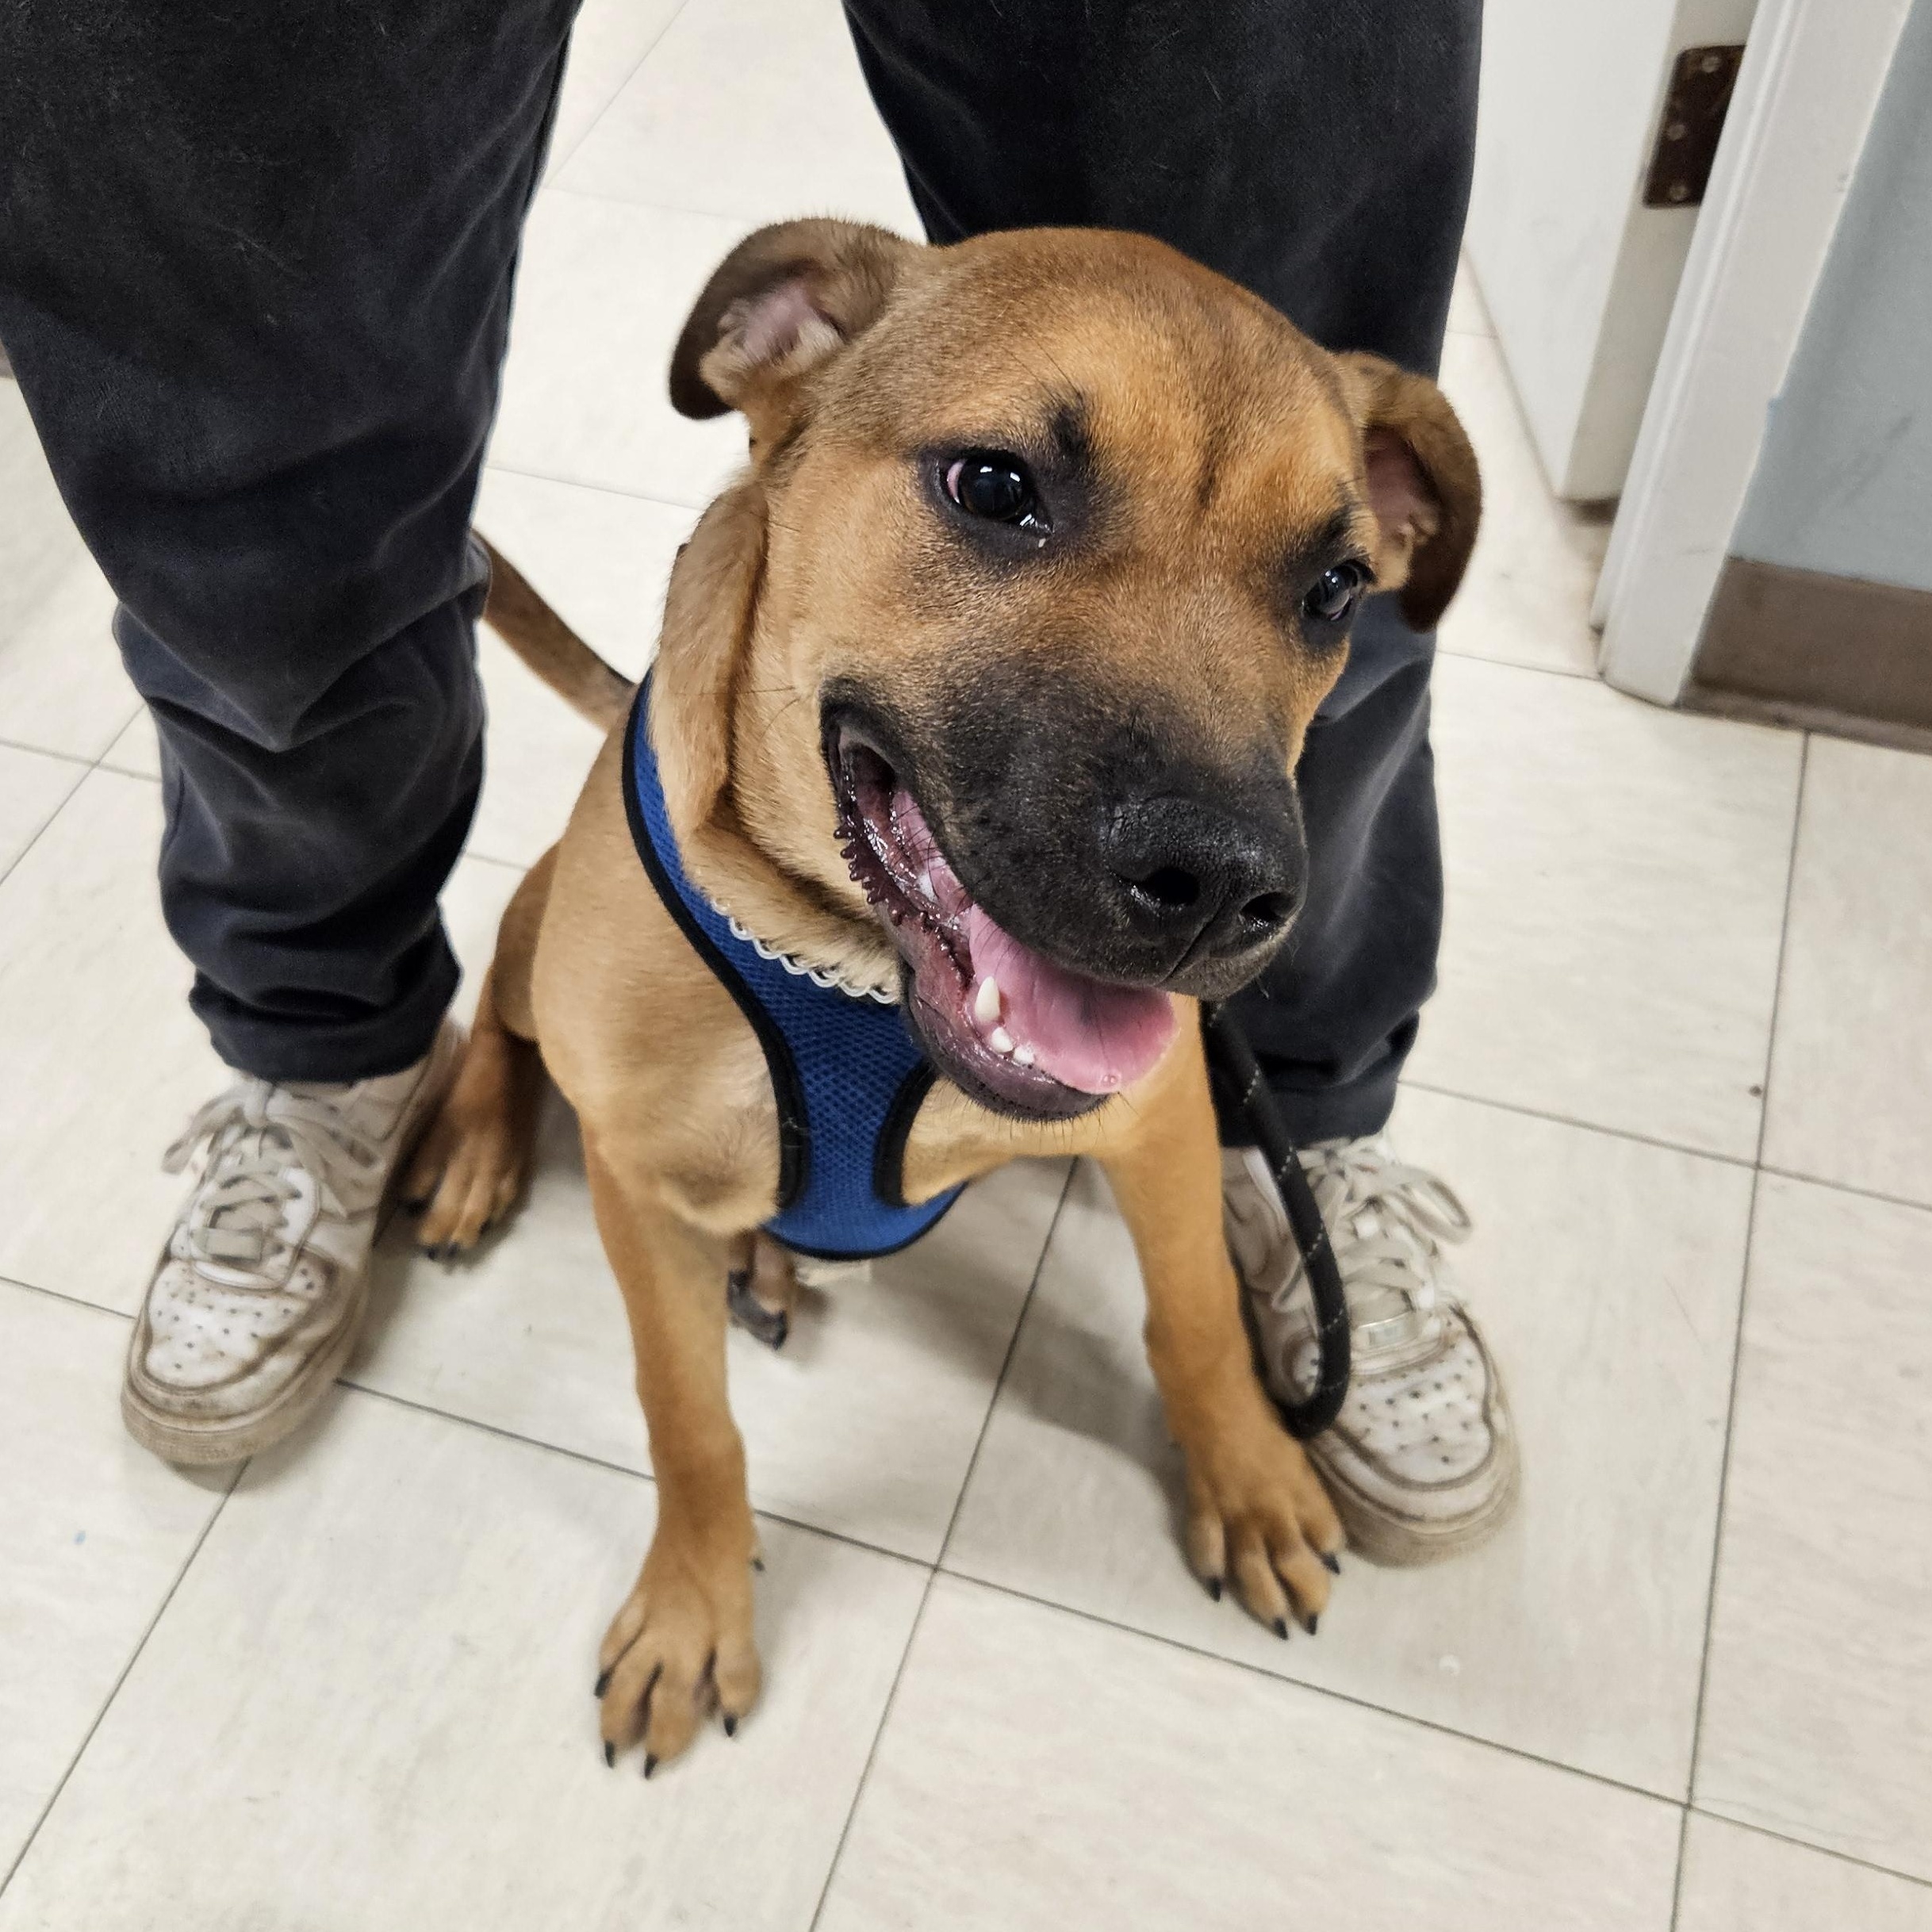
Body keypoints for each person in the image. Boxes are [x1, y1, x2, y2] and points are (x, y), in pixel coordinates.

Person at [0, 0, 1515, 1554]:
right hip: (688, 901)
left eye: (1326, 582)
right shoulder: (645, 893)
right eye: (1001, 489)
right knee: (248, 394)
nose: (1211, 828)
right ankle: (347, 1053)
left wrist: (1211, 1404)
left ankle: (1299, 1119)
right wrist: (699, 1513)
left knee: (1270, 188)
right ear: (779, 346)